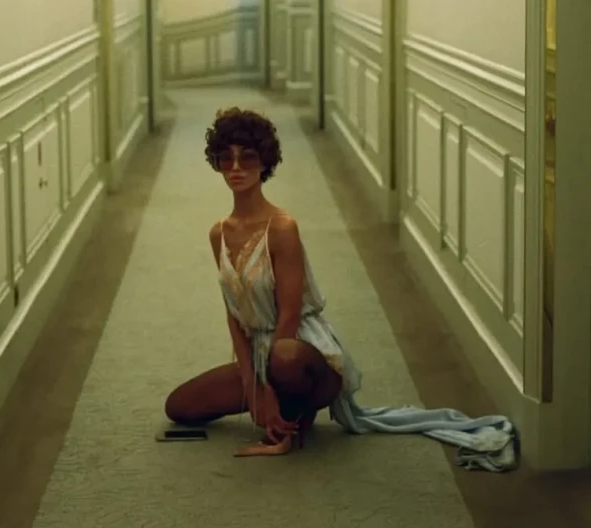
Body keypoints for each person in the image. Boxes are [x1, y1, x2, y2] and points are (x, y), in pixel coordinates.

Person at [164, 107, 518, 470]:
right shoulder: (219, 234)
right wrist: (253, 388)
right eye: (226, 158)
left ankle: (291, 422)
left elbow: (289, 316)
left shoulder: (282, 227)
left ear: (265, 161)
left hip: (303, 354)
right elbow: (234, 314)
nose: (236, 167)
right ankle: (284, 409)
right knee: (179, 407)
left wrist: (268, 389)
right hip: (258, 353)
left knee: (284, 356)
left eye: (248, 157)